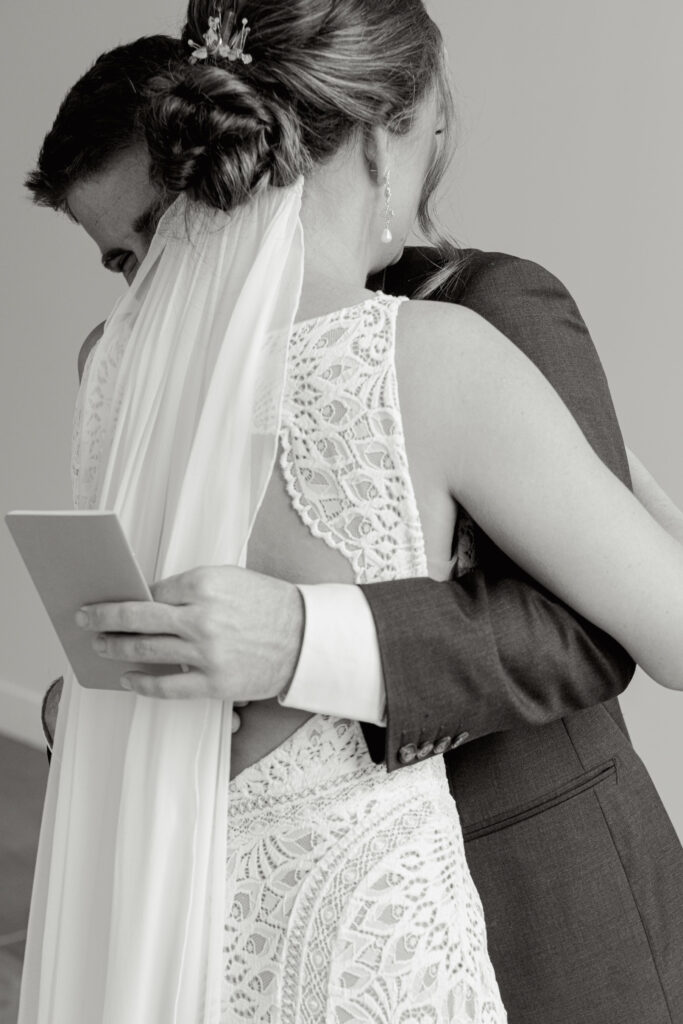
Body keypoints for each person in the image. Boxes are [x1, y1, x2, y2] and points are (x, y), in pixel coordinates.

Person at [25, 6, 683, 1024]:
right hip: (315, 921)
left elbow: (581, 630)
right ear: (385, 134)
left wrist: (301, 639)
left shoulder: (472, 313)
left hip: (479, 897)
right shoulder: (428, 359)